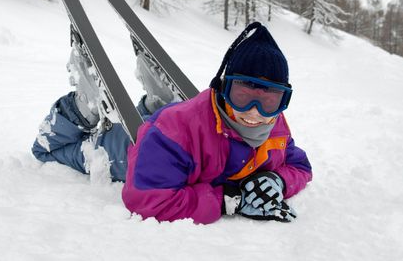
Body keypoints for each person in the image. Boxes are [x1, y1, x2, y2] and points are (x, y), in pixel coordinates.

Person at [32, 21, 312, 224]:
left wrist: (277, 180)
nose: (254, 112)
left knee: (168, 120)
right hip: (130, 155)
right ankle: (79, 108)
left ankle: (157, 104)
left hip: (169, 138)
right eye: (243, 96)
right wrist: (227, 200)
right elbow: (149, 200)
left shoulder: (274, 126)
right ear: (223, 89)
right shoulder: (173, 133)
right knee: (52, 151)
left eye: (269, 102)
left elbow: (299, 165)